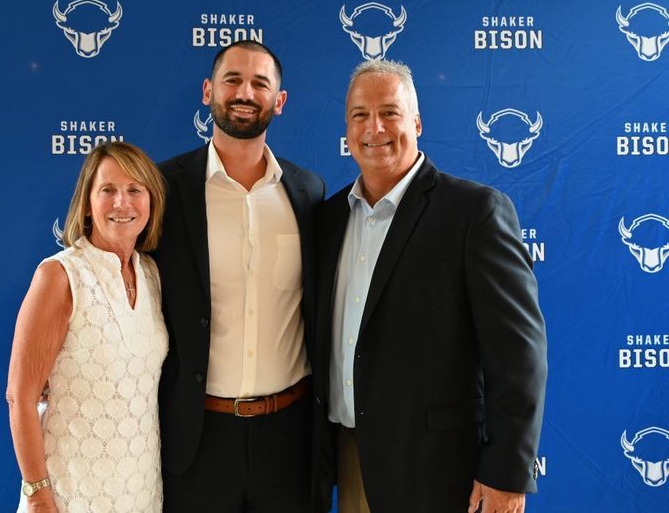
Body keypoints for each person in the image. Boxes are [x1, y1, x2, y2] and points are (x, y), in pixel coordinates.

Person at [312, 60, 548, 513]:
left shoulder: (475, 212)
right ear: (347, 129)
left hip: (439, 468)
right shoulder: (329, 219)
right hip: (347, 460)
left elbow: (519, 354)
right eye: (360, 114)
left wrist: (506, 472)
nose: (374, 127)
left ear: (416, 122)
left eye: (389, 112)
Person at [152, 40, 325, 512]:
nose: (244, 92)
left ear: (279, 101)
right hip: (196, 438)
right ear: (208, 91)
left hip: (290, 439)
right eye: (232, 80)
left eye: (259, 83)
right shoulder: (162, 187)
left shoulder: (308, 192)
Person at [7, 141, 168, 512]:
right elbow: (21, 397)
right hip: (70, 495)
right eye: (107, 190)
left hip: (140, 491)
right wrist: (38, 495)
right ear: (87, 204)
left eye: (134, 190)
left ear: (151, 201)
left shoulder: (152, 275)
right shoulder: (61, 275)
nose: (121, 203)